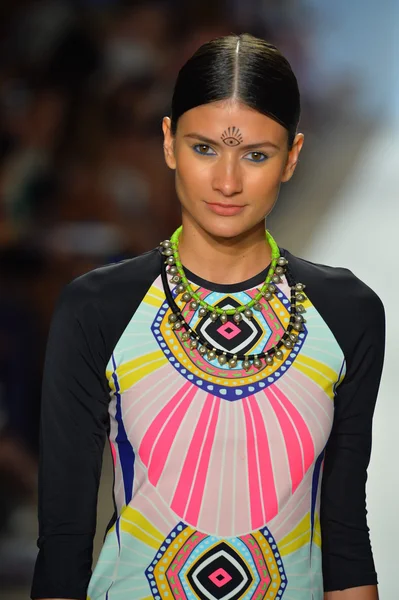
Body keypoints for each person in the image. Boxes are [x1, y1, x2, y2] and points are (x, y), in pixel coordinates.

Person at [30, 33, 385, 600]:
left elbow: (343, 531)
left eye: (256, 155)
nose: (226, 182)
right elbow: (64, 538)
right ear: (168, 143)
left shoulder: (346, 311)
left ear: (292, 157)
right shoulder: (98, 307)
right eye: (204, 148)